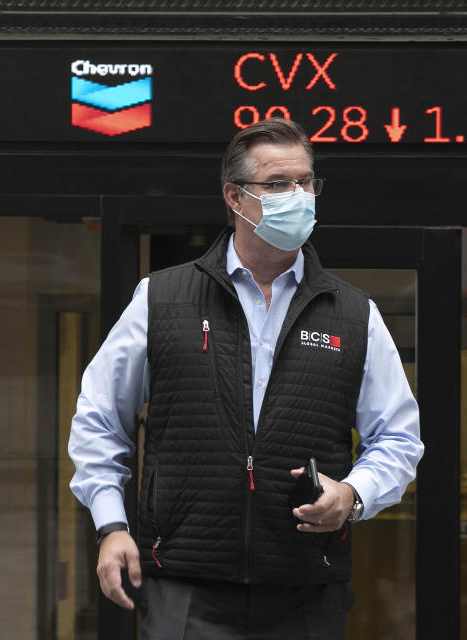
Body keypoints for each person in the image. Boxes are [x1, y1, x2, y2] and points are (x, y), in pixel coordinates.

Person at [68, 118, 423, 639]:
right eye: (278, 185)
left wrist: (353, 493)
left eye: (306, 182)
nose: (298, 196)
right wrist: (112, 525)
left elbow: (398, 436)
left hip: (305, 592)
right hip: (185, 590)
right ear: (235, 197)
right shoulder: (161, 299)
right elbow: (100, 418)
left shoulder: (353, 313)